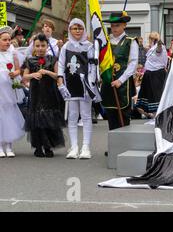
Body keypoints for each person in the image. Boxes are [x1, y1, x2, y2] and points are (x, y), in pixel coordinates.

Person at [57, 18, 100, 159]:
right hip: (70, 84)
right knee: (72, 116)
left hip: (85, 84)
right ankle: (74, 147)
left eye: (80, 28)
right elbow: (61, 65)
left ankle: (86, 147)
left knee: (86, 116)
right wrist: (60, 82)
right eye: (74, 28)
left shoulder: (89, 46)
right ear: (70, 30)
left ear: (84, 30)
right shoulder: (65, 47)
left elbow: (93, 65)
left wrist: (91, 83)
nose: (77, 31)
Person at [23, 34, 65, 157]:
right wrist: (33, 75)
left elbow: (58, 75)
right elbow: (24, 76)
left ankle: (48, 146)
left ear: (47, 46)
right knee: (37, 121)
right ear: (34, 47)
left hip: (50, 94)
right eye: (38, 46)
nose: (40, 48)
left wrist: (46, 72)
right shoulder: (29, 60)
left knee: (49, 120)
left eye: (43, 46)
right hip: (35, 94)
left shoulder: (52, 59)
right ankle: (38, 147)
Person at [101, 11, 138, 130]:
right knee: (111, 116)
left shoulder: (130, 41)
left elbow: (133, 63)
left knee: (123, 116)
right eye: (112, 25)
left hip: (123, 85)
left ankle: (123, 146)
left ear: (124, 25)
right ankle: (113, 146)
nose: (114, 28)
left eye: (117, 25)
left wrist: (120, 80)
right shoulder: (105, 42)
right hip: (108, 83)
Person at [0, 26, 25, 158]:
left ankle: (9, 145)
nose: (8, 42)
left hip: (9, 88)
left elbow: (18, 70)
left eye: (9, 40)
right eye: (4, 40)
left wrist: (13, 74)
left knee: (9, 116)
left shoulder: (13, 53)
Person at [136, 32, 168, 119]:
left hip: (157, 75)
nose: (150, 40)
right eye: (150, 38)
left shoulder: (160, 47)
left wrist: (159, 44)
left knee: (156, 96)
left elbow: (159, 50)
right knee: (147, 96)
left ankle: (157, 116)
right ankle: (151, 114)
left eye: (152, 38)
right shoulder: (151, 48)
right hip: (149, 74)